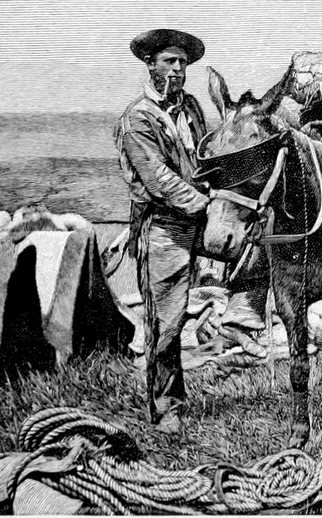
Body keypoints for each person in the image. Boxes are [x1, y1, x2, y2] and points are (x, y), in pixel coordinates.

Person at [114, 29, 210, 433]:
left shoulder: (192, 107)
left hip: (200, 217)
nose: (177, 70)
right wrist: (207, 206)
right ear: (150, 64)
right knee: (166, 323)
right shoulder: (137, 118)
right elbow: (159, 180)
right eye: (169, 62)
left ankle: (243, 322)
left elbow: (206, 155)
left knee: (258, 252)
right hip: (162, 225)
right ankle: (167, 407)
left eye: (183, 63)